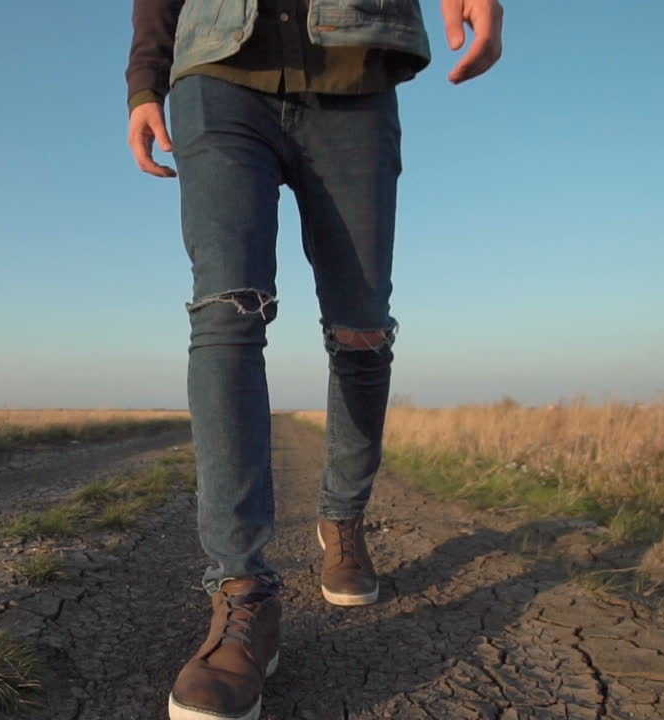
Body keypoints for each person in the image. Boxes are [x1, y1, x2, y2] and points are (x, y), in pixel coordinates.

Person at [125, 0, 504, 718]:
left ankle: (343, 518)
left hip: (355, 70)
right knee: (225, 311)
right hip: (215, 73)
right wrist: (145, 83)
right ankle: (243, 592)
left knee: (361, 329)